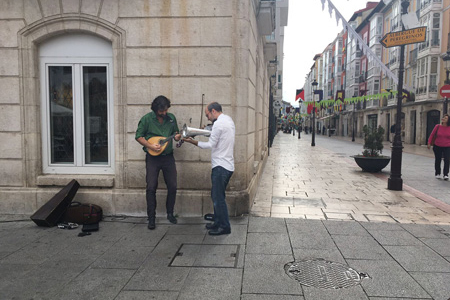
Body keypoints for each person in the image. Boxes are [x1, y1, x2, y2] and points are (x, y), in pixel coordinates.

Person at [183, 102, 235, 236]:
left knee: (218, 198)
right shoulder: (228, 120)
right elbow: (216, 135)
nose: (207, 118)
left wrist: (192, 141)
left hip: (220, 166)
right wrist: (204, 130)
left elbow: (210, 145)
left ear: (213, 111)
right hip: (227, 165)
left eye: (207, 115)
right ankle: (218, 221)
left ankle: (224, 226)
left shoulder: (218, 124)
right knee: (217, 195)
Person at [135, 95, 181, 230]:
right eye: (162, 111)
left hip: (168, 157)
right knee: (151, 187)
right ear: (155, 109)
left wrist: (178, 136)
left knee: (172, 186)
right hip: (152, 158)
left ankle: (170, 213)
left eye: (166, 110)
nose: (164, 113)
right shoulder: (147, 119)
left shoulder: (171, 118)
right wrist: (150, 146)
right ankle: (151, 218)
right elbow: (138, 136)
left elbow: (176, 134)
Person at [427, 114, 450, 180]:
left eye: (445, 118)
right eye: (443, 117)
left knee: (447, 160)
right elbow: (432, 135)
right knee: (438, 159)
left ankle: (446, 174)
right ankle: (438, 173)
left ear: (448, 120)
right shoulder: (437, 126)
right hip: (437, 145)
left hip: (447, 146)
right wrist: (429, 143)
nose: (443, 119)